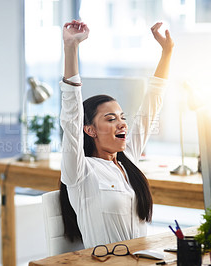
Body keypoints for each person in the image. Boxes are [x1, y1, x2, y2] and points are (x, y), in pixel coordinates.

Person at [59, 20, 174, 248]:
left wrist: (167, 52)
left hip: (143, 261)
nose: (121, 124)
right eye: (110, 119)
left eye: (122, 117)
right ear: (90, 130)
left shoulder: (128, 159)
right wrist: (71, 47)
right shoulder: (80, 171)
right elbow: (71, 115)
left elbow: (152, 102)